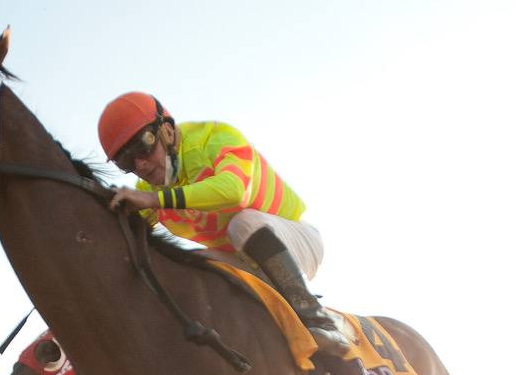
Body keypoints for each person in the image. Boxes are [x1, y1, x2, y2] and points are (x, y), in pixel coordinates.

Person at [98, 92, 350, 357]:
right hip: (243, 263)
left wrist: (153, 199)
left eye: (143, 147)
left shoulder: (214, 137)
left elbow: (234, 191)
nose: (140, 164)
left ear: (167, 131)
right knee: (191, 262)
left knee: (243, 223)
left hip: (297, 241)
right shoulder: (147, 191)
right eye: (126, 162)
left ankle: (319, 320)